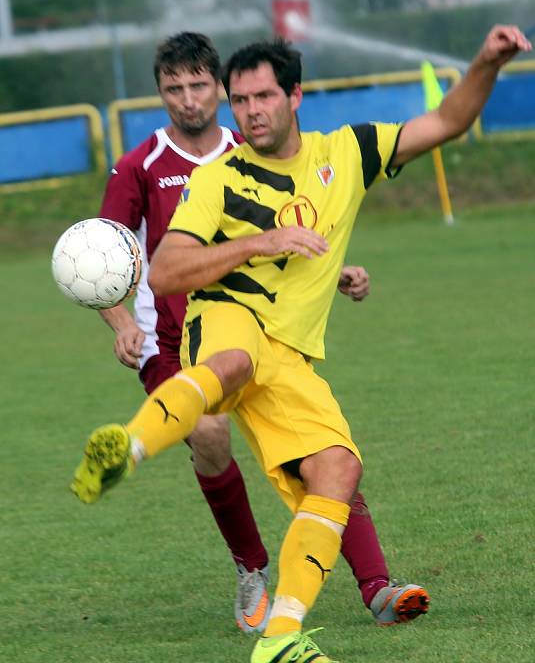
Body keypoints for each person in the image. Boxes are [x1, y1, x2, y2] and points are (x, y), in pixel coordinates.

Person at [87, 32, 415, 638]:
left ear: (220, 88)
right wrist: (120, 324)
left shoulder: (254, 146)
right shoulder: (140, 167)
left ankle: (376, 584)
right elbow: (99, 257)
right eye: (172, 88)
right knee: (208, 429)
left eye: (199, 86)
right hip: (171, 337)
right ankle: (250, 568)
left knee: (321, 451)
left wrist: (335, 270)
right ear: (159, 93)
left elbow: (291, 227)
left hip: (262, 330)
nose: (188, 99)